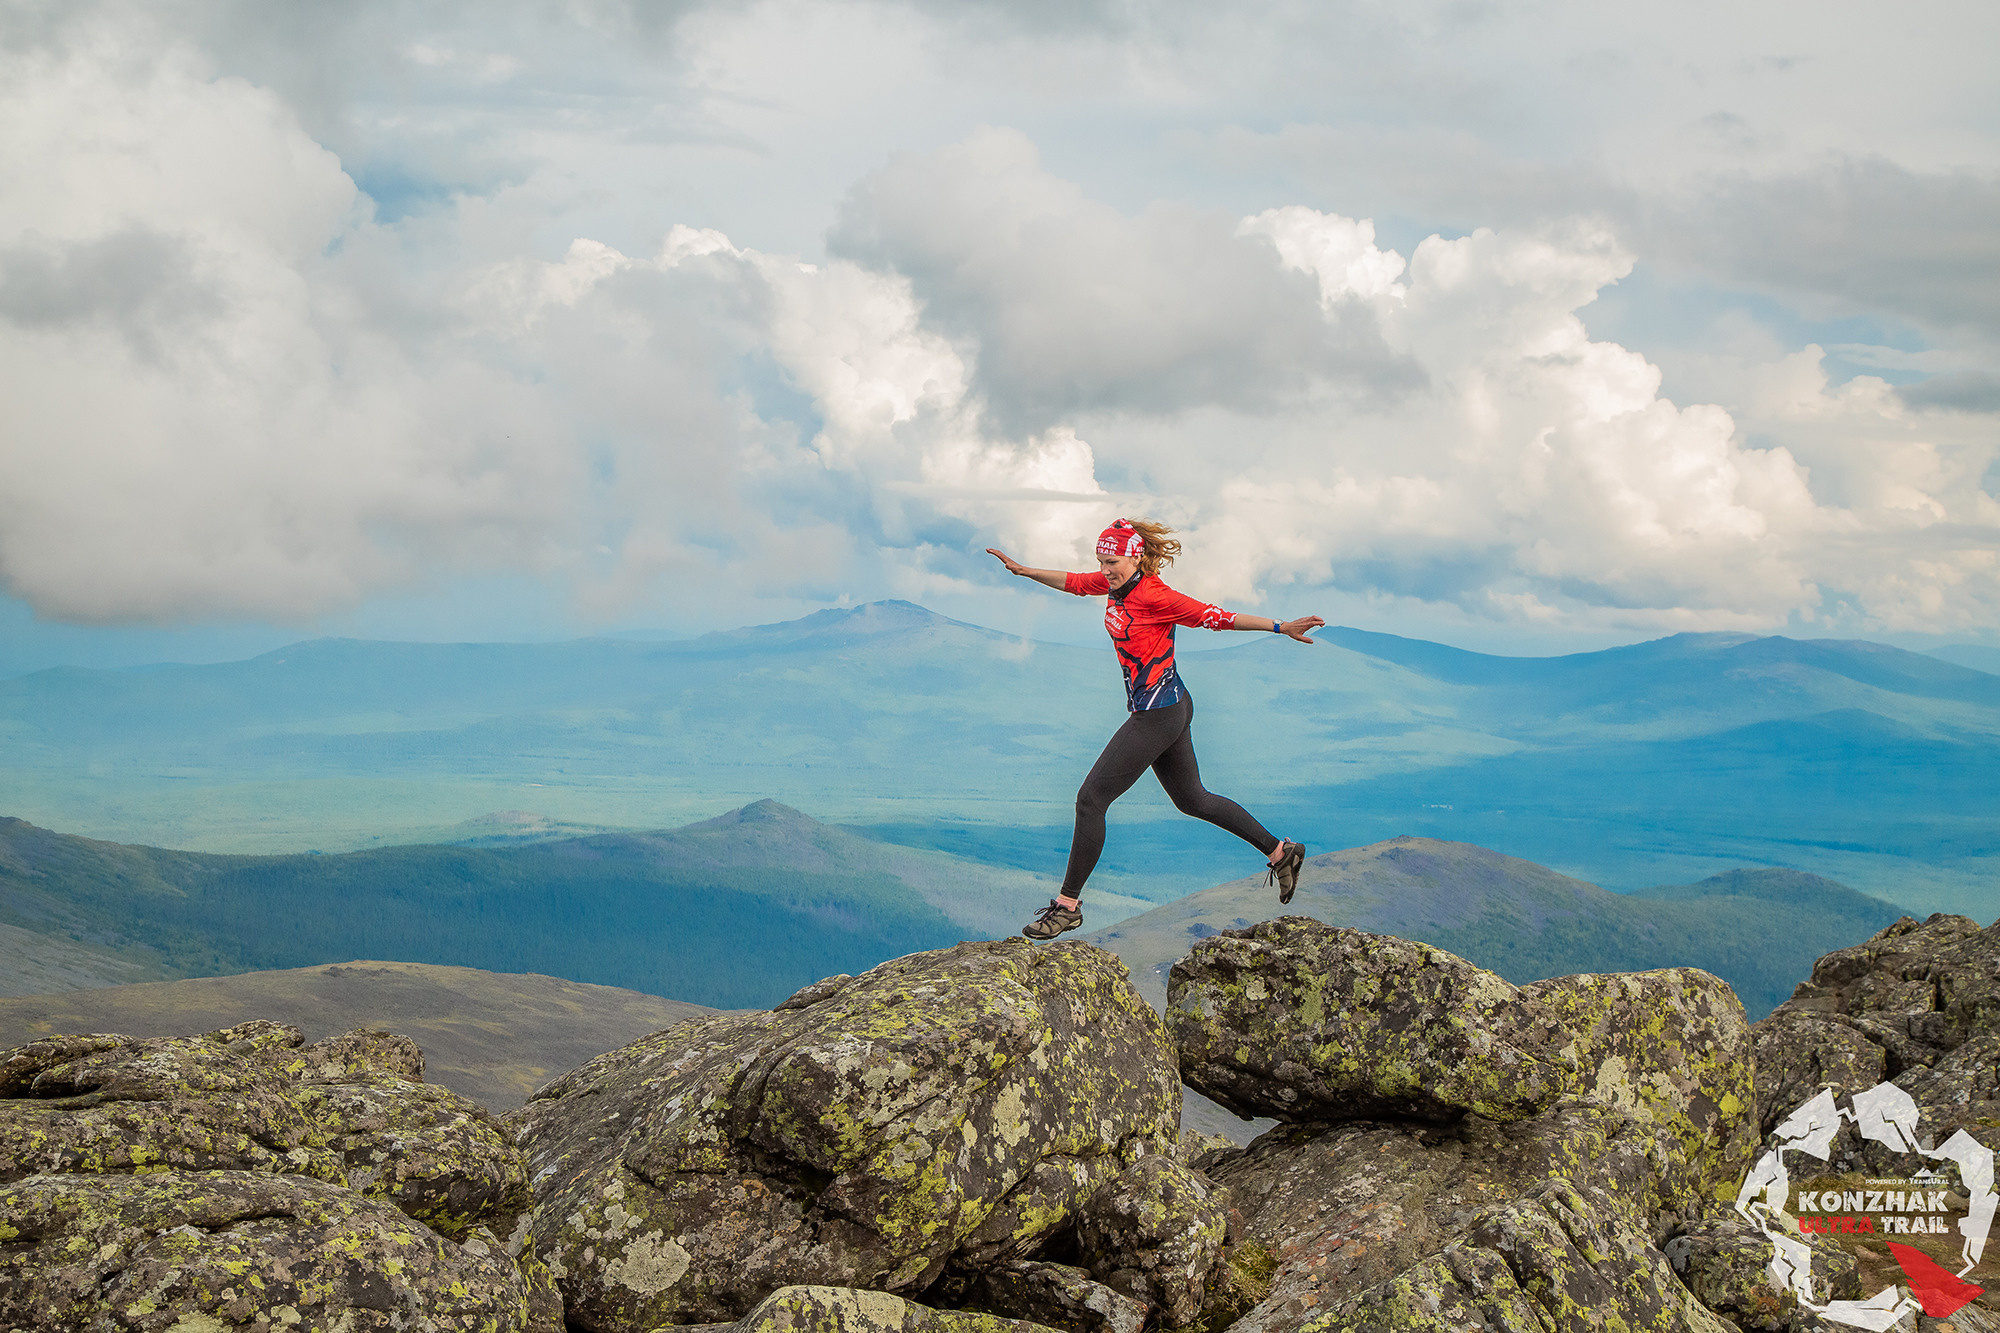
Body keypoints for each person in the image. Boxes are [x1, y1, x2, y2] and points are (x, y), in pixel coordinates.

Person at [986, 518, 1325, 940]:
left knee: (1090, 800)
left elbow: (1217, 617)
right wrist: (1025, 571)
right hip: (1171, 706)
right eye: (1101, 562)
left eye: (1111, 562)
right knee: (1194, 799)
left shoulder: (1155, 595)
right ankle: (1281, 852)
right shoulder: (1117, 584)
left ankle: (1067, 907)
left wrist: (1280, 626)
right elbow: (1074, 581)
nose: (1105, 570)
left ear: (1135, 557)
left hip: (1158, 716)